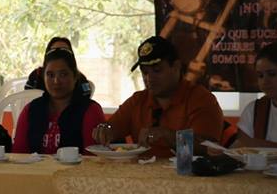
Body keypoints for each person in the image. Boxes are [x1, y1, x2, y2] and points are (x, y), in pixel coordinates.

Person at [94, 36, 224, 157]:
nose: (149, 78)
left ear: (176, 67)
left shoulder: (201, 99)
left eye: (157, 70)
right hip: (142, 173)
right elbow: (112, 128)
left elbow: (210, 148)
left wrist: (168, 135)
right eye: (145, 72)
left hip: (188, 173)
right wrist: (105, 130)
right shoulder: (138, 100)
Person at [12, 49, 105, 155]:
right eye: (50, 75)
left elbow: (93, 157)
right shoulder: (30, 110)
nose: (56, 81)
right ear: (44, 77)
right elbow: (18, 155)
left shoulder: (90, 110)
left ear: (75, 77)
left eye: (63, 74)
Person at [24, 37, 91, 95]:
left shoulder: (80, 78)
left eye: (64, 51)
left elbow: (87, 93)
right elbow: (26, 95)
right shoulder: (36, 75)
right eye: (53, 52)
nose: (56, 82)